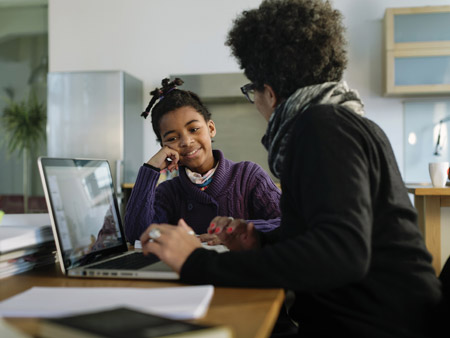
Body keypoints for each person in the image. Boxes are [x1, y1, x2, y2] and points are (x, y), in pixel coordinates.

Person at [140, 1, 444, 337]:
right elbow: (332, 234)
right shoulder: (340, 121)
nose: (254, 101)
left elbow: (341, 253)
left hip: (377, 325)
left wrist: (197, 262)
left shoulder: (319, 128)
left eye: (251, 90)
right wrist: (262, 244)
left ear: (269, 92)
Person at [124, 78, 281, 244]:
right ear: (164, 146)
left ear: (211, 129)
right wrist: (151, 169)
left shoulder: (248, 176)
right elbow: (137, 236)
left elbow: (289, 222)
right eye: (172, 137)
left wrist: (236, 230)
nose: (186, 141)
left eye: (193, 129)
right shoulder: (168, 192)